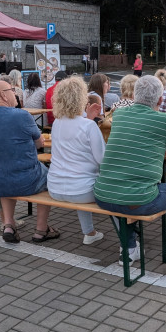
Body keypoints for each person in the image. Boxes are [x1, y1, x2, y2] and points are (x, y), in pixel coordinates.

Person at [94, 75, 166, 276]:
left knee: (125, 187)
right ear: (161, 100)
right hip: (139, 199)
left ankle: (128, 249)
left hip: (103, 195)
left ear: (134, 94)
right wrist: (162, 145)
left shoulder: (119, 115)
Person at [0, 79, 58, 244]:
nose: (15, 93)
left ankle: (8, 224)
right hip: (24, 180)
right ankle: (41, 229)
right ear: (3, 95)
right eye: (12, 90)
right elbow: (40, 143)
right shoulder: (22, 115)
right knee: (51, 178)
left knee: (6, 170)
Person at [47, 77, 105, 245]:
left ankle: (90, 232)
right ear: (81, 98)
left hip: (55, 187)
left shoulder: (57, 123)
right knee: (111, 190)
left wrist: (88, 117)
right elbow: (102, 159)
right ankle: (128, 243)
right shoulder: (88, 126)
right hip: (82, 190)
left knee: (83, 179)